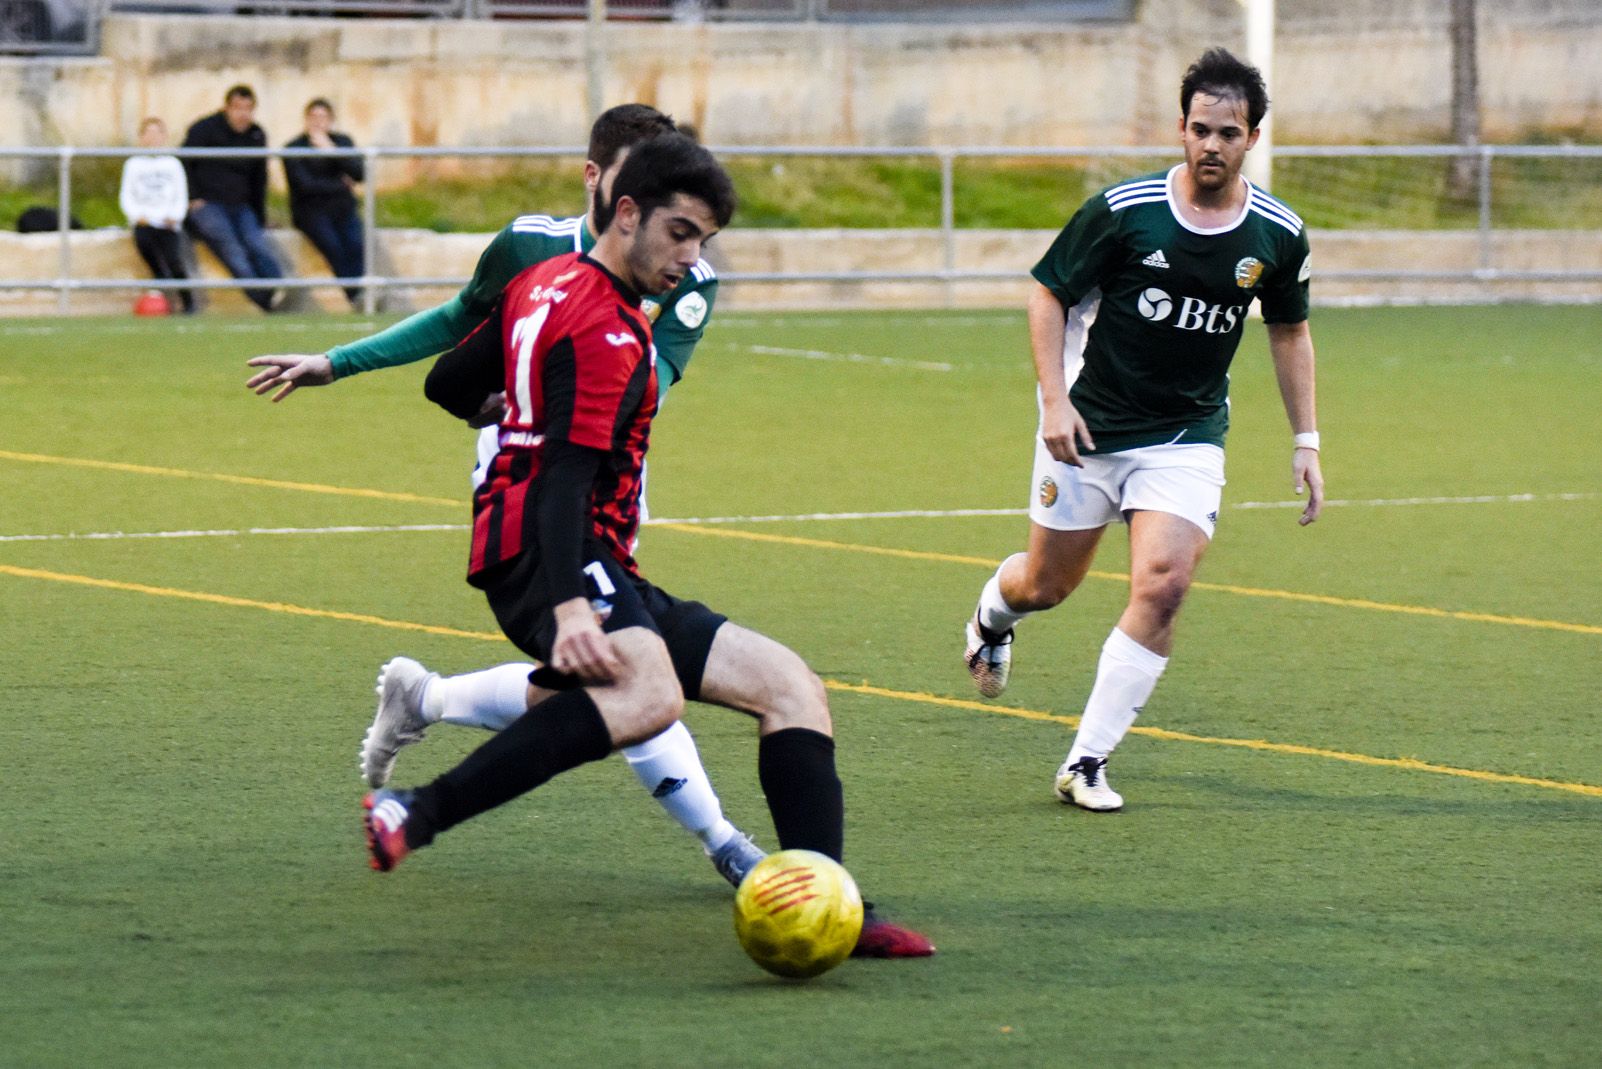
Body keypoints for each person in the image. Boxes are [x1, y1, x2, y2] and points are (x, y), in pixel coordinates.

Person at [364, 135, 930, 959]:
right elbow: (562, 479)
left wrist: (505, 414)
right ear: (626, 212)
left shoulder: (542, 282)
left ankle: (826, 897)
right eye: (680, 231)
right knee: (646, 696)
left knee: (790, 688)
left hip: (571, 548)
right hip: (549, 548)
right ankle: (412, 811)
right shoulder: (608, 329)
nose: (691, 255)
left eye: (703, 239)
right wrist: (567, 606)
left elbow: (446, 381)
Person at [245, 105, 767, 893]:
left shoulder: (686, 271)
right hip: (532, 482)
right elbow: (459, 326)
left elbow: (648, 382)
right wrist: (338, 361)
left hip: (608, 473)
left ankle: (427, 695)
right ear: (603, 182)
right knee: (628, 670)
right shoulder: (528, 246)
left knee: (586, 679)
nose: (681, 236)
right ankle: (723, 839)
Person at [962, 48, 1325, 813]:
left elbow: (1288, 332)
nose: (1211, 146)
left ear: (1252, 137)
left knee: (1164, 584)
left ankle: (1085, 761)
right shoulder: (1125, 211)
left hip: (1186, 435)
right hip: (1088, 426)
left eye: (1228, 133)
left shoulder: (1278, 235)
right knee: (1046, 585)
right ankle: (994, 617)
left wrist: (1307, 440)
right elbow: (1045, 293)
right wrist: (1054, 402)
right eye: (1199, 129)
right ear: (1180, 128)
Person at [182, 84, 283, 312]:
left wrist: (260, 215)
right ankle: (264, 300)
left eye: (248, 108)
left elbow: (260, 178)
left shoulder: (256, 134)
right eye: (237, 108)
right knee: (232, 250)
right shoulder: (204, 129)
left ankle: (278, 288)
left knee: (258, 245)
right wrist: (192, 197)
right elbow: (185, 161)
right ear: (226, 108)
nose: (243, 114)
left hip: (241, 205)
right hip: (208, 204)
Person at [284, 98, 364, 308]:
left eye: (323, 117)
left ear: (331, 120)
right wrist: (341, 184)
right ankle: (356, 295)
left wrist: (332, 151)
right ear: (306, 120)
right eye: (314, 117)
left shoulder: (342, 142)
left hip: (342, 208)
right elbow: (305, 185)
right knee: (333, 246)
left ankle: (360, 293)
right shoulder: (294, 147)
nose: (318, 122)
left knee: (356, 244)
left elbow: (359, 173)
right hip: (311, 212)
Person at [118, 117, 195, 315]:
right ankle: (161, 300)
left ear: (164, 136)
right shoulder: (133, 164)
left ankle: (189, 303)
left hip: (168, 222)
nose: (153, 138)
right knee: (152, 256)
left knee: (174, 262)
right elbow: (126, 195)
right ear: (141, 137)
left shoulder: (172, 164)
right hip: (145, 221)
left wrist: (175, 216)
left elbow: (181, 194)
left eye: (157, 133)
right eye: (148, 133)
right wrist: (137, 216)